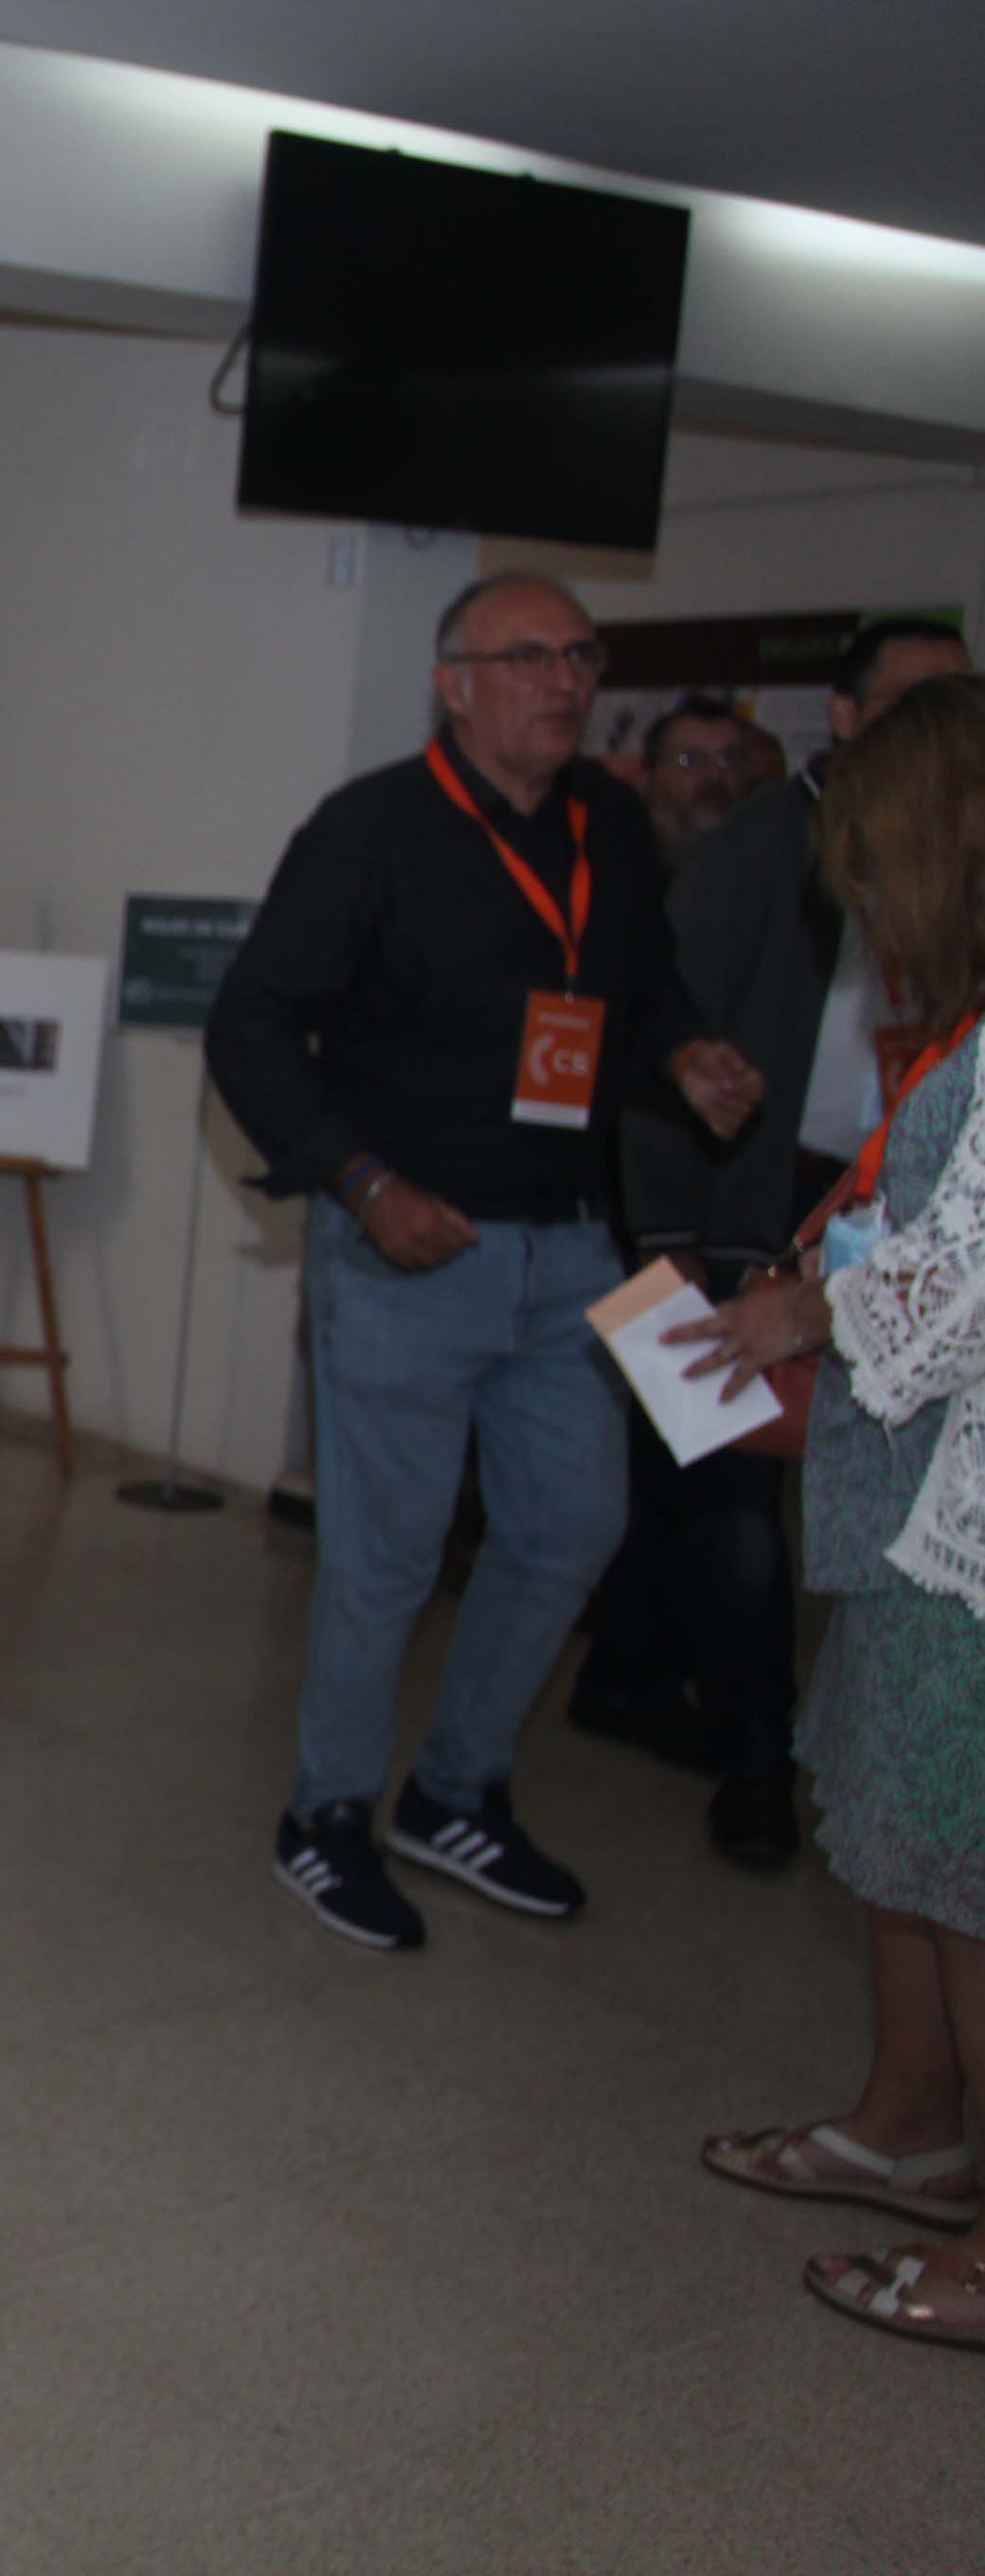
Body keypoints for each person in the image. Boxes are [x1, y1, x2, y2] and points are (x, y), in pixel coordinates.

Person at [207, 570, 764, 1952]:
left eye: (580, 655)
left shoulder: (614, 828)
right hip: (410, 1248)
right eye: (529, 658)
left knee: (574, 1526)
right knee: (388, 1559)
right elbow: (253, 1029)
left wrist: (681, 1052)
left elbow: (635, 996)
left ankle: (454, 1791)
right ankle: (328, 1811)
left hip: (575, 1249)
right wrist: (363, 1180)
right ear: (455, 682)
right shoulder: (372, 831)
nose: (564, 682)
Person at [678, 671, 985, 2345]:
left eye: (875, 867)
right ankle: (910, 2123)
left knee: (968, 1866)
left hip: (972, 1534)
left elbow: (963, 1295)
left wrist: (810, 1310)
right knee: (905, 1839)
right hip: (916, 1507)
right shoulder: (962, 1031)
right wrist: (836, 1258)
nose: (862, 904)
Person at [589, 617, 976, 1866]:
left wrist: (816, 1306)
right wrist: (686, 1246)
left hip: (861, 1274)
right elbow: (670, 1040)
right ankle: (746, 1753)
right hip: (766, 1211)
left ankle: (690, 1705)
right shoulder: (762, 851)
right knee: (728, 1498)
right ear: (851, 719)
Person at [636, 692, 752, 869]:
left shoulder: (768, 870)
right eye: (691, 760)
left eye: (728, 760)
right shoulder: (620, 868)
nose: (715, 775)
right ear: (649, 777)